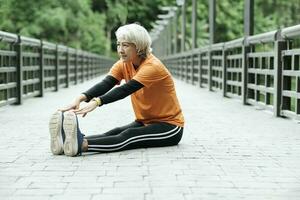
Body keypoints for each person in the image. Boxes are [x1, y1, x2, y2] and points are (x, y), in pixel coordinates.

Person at [49, 23, 184, 156]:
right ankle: (68, 142)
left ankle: (82, 145)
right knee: (114, 132)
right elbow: (106, 83)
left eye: (125, 45)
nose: (120, 50)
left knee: (128, 136)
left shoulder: (153, 66)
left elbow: (125, 89)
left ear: (139, 46)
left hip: (169, 127)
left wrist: (96, 102)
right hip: (145, 122)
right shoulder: (124, 63)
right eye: (118, 44)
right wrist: (81, 98)